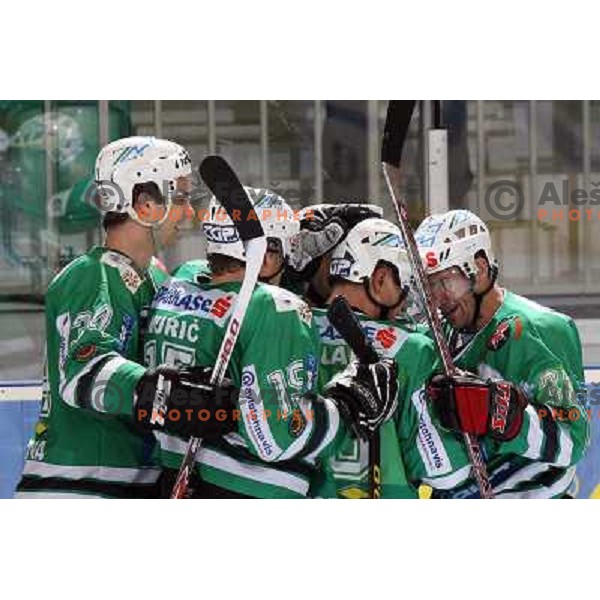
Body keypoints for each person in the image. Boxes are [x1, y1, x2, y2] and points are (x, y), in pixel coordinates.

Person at [16, 136, 232, 498]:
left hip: (128, 482)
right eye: (179, 198)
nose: (189, 214)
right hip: (76, 487)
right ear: (145, 205)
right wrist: (169, 394)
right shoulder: (90, 275)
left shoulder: (158, 278)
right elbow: (84, 371)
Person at [145, 190, 398, 498]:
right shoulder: (279, 309)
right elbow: (274, 438)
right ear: (266, 254)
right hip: (248, 490)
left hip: (175, 477)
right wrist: (345, 408)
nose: (294, 263)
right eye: (289, 250)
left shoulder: (176, 287)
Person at [415, 208, 590, 498]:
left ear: (480, 270)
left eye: (444, 281)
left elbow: (573, 439)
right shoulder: (438, 333)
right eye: (429, 285)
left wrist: (508, 419)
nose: (437, 298)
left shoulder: (538, 329)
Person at [310, 217, 472, 498]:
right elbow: (445, 471)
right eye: (405, 285)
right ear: (380, 278)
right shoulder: (412, 349)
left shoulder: (291, 324)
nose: (406, 301)